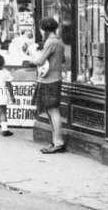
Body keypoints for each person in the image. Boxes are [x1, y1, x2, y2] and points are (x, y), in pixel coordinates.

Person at [30, 17, 66, 153]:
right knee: (51, 110)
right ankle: (55, 141)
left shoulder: (50, 42)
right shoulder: (59, 41)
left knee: (53, 111)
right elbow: (62, 59)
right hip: (54, 79)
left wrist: (32, 57)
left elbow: (39, 61)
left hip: (49, 81)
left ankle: (58, 142)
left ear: (44, 29)